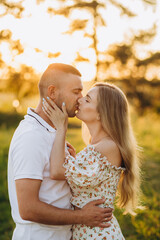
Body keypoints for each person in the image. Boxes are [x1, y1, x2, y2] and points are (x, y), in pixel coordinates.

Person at [7, 64, 113, 240]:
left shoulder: (54, 130)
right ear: (52, 92)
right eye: (76, 92)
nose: (80, 99)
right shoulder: (32, 136)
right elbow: (28, 208)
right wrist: (82, 217)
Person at [42, 82, 141, 239]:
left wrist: (61, 128)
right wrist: (74, 160)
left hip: (98, 234)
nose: (80, 99)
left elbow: (56, 171)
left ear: (101, 114)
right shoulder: (99, 146)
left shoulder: (107, 146)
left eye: (87, 99)